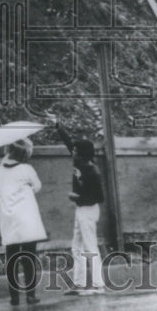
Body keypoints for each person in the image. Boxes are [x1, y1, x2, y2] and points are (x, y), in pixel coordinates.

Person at [50, 119, 105, 295]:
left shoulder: (92, 171)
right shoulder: (79, 163)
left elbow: (99, 197)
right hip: (81, 210)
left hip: (88, 210)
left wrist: (77, 196)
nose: (72, 152)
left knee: (90, 246)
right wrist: (58, 125)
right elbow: (69, 142)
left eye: (75, 151)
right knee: (77, 247)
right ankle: (79, 283)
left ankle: (98, 284)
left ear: (81, 154)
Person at [0, 137, 47, 307]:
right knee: (29, 257)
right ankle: (30, 295)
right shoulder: (26, 169)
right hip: (27, 217)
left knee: (12, 258)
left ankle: (14, 298)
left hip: (9, 219)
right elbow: (38, 186)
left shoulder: (0, 170)